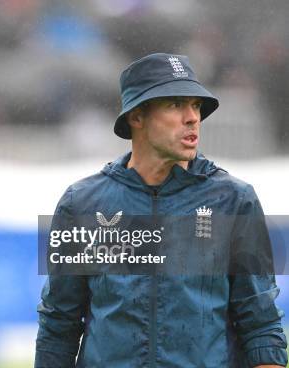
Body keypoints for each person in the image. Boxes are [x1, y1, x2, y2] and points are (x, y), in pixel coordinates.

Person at [35, 53, 287, 367]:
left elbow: (260, 323)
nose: (192, 117)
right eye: (175, 105)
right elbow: (59, 324)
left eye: (195, 105)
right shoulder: (81, 204)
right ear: (136, 117)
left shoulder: (235, 200)